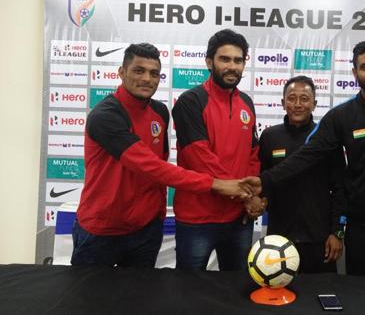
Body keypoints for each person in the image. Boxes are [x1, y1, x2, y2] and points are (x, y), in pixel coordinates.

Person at [246, 41, 365, 277]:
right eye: (364, 67)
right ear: (355, 73)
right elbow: (306, 155)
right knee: (359, 299)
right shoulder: (341, 116)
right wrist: (265, 181)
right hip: (362, 228)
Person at [72, 43, 251, 268]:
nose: (147, 79)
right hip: (101, 231)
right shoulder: (105, 116)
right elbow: (152, 167)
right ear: (121, 72)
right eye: (139, 71)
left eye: (154, 73)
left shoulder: (160, 112)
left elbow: (161, 163)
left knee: (140, 302)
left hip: (145, 231)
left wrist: (155, 216)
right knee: (88, 302)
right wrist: (217, 184)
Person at [172, 29, 264, 271]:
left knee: (235, 292)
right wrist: (246, 196)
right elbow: (199, 158)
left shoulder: (247, 102)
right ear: (209, 62)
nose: (232, 66)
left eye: (238, 60)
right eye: (225, 59)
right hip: (197, 219)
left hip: (238, 219)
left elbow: (252, 154)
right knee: (190, 293)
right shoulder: (190, 101)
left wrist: (253, 194)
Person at [258, 76, 346, 273]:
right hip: (279, 238)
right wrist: (262, 200)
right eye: (291, 98)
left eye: (304, 99)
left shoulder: (327, 138)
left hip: (319, 239)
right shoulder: (270, 137)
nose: (297, 104)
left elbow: (340, 189)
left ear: (314, 104)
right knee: (279, 297)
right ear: (283, 103)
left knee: (319, 296)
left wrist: (337, 233)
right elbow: (264, 182)